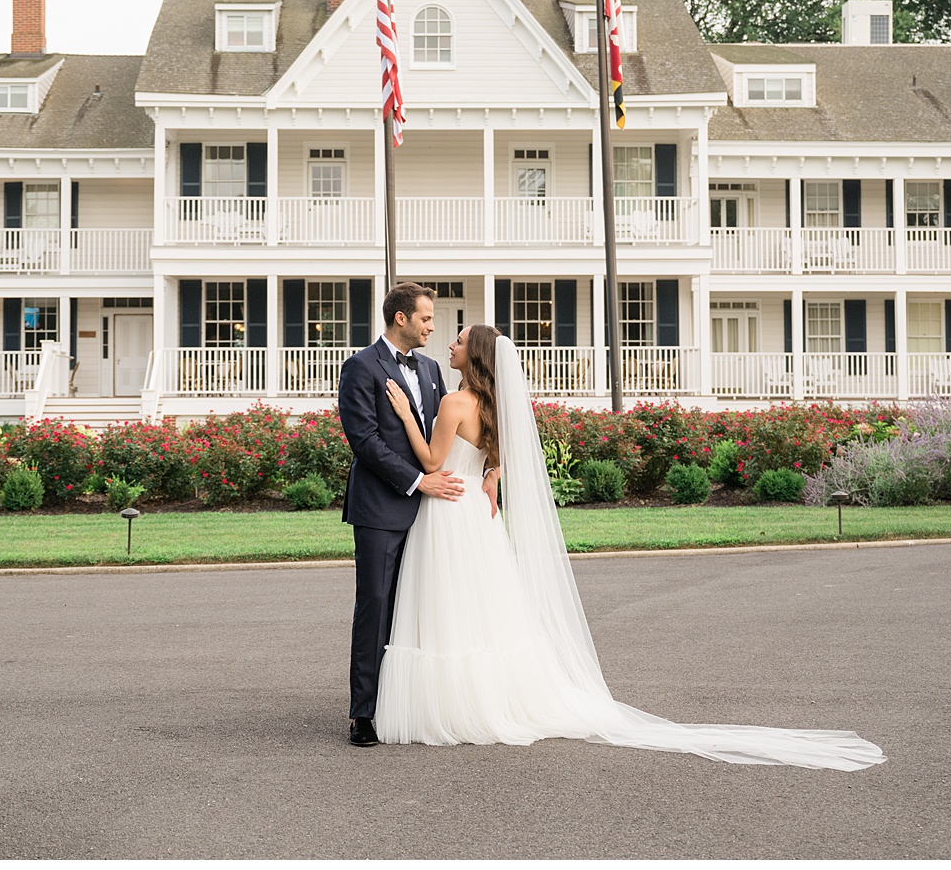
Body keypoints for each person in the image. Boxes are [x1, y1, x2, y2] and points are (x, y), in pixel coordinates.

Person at [373, 323, 886, 771]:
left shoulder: (454, 402)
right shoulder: (496, 407)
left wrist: (404, 416)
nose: (450, 346)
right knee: (483, 610)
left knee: (447, 607)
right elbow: (497, 454)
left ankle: (452, 705)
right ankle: (481, 701)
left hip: (448, 511)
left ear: (475, 356)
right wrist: (492, 472)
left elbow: (435, 463)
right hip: (481, 521)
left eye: (459, 342)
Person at [336, 282, 465, 748]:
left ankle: (409, 701)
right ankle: (364, 714)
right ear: (401, 319)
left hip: (432, 516)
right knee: (376, 605)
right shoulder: (360, 367)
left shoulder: (432, 369)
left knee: (421, 607)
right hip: (380, 508)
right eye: (427, 318)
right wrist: (417, 481)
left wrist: (490, 468)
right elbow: (364, 441)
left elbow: (451, 432)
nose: (433, 326)